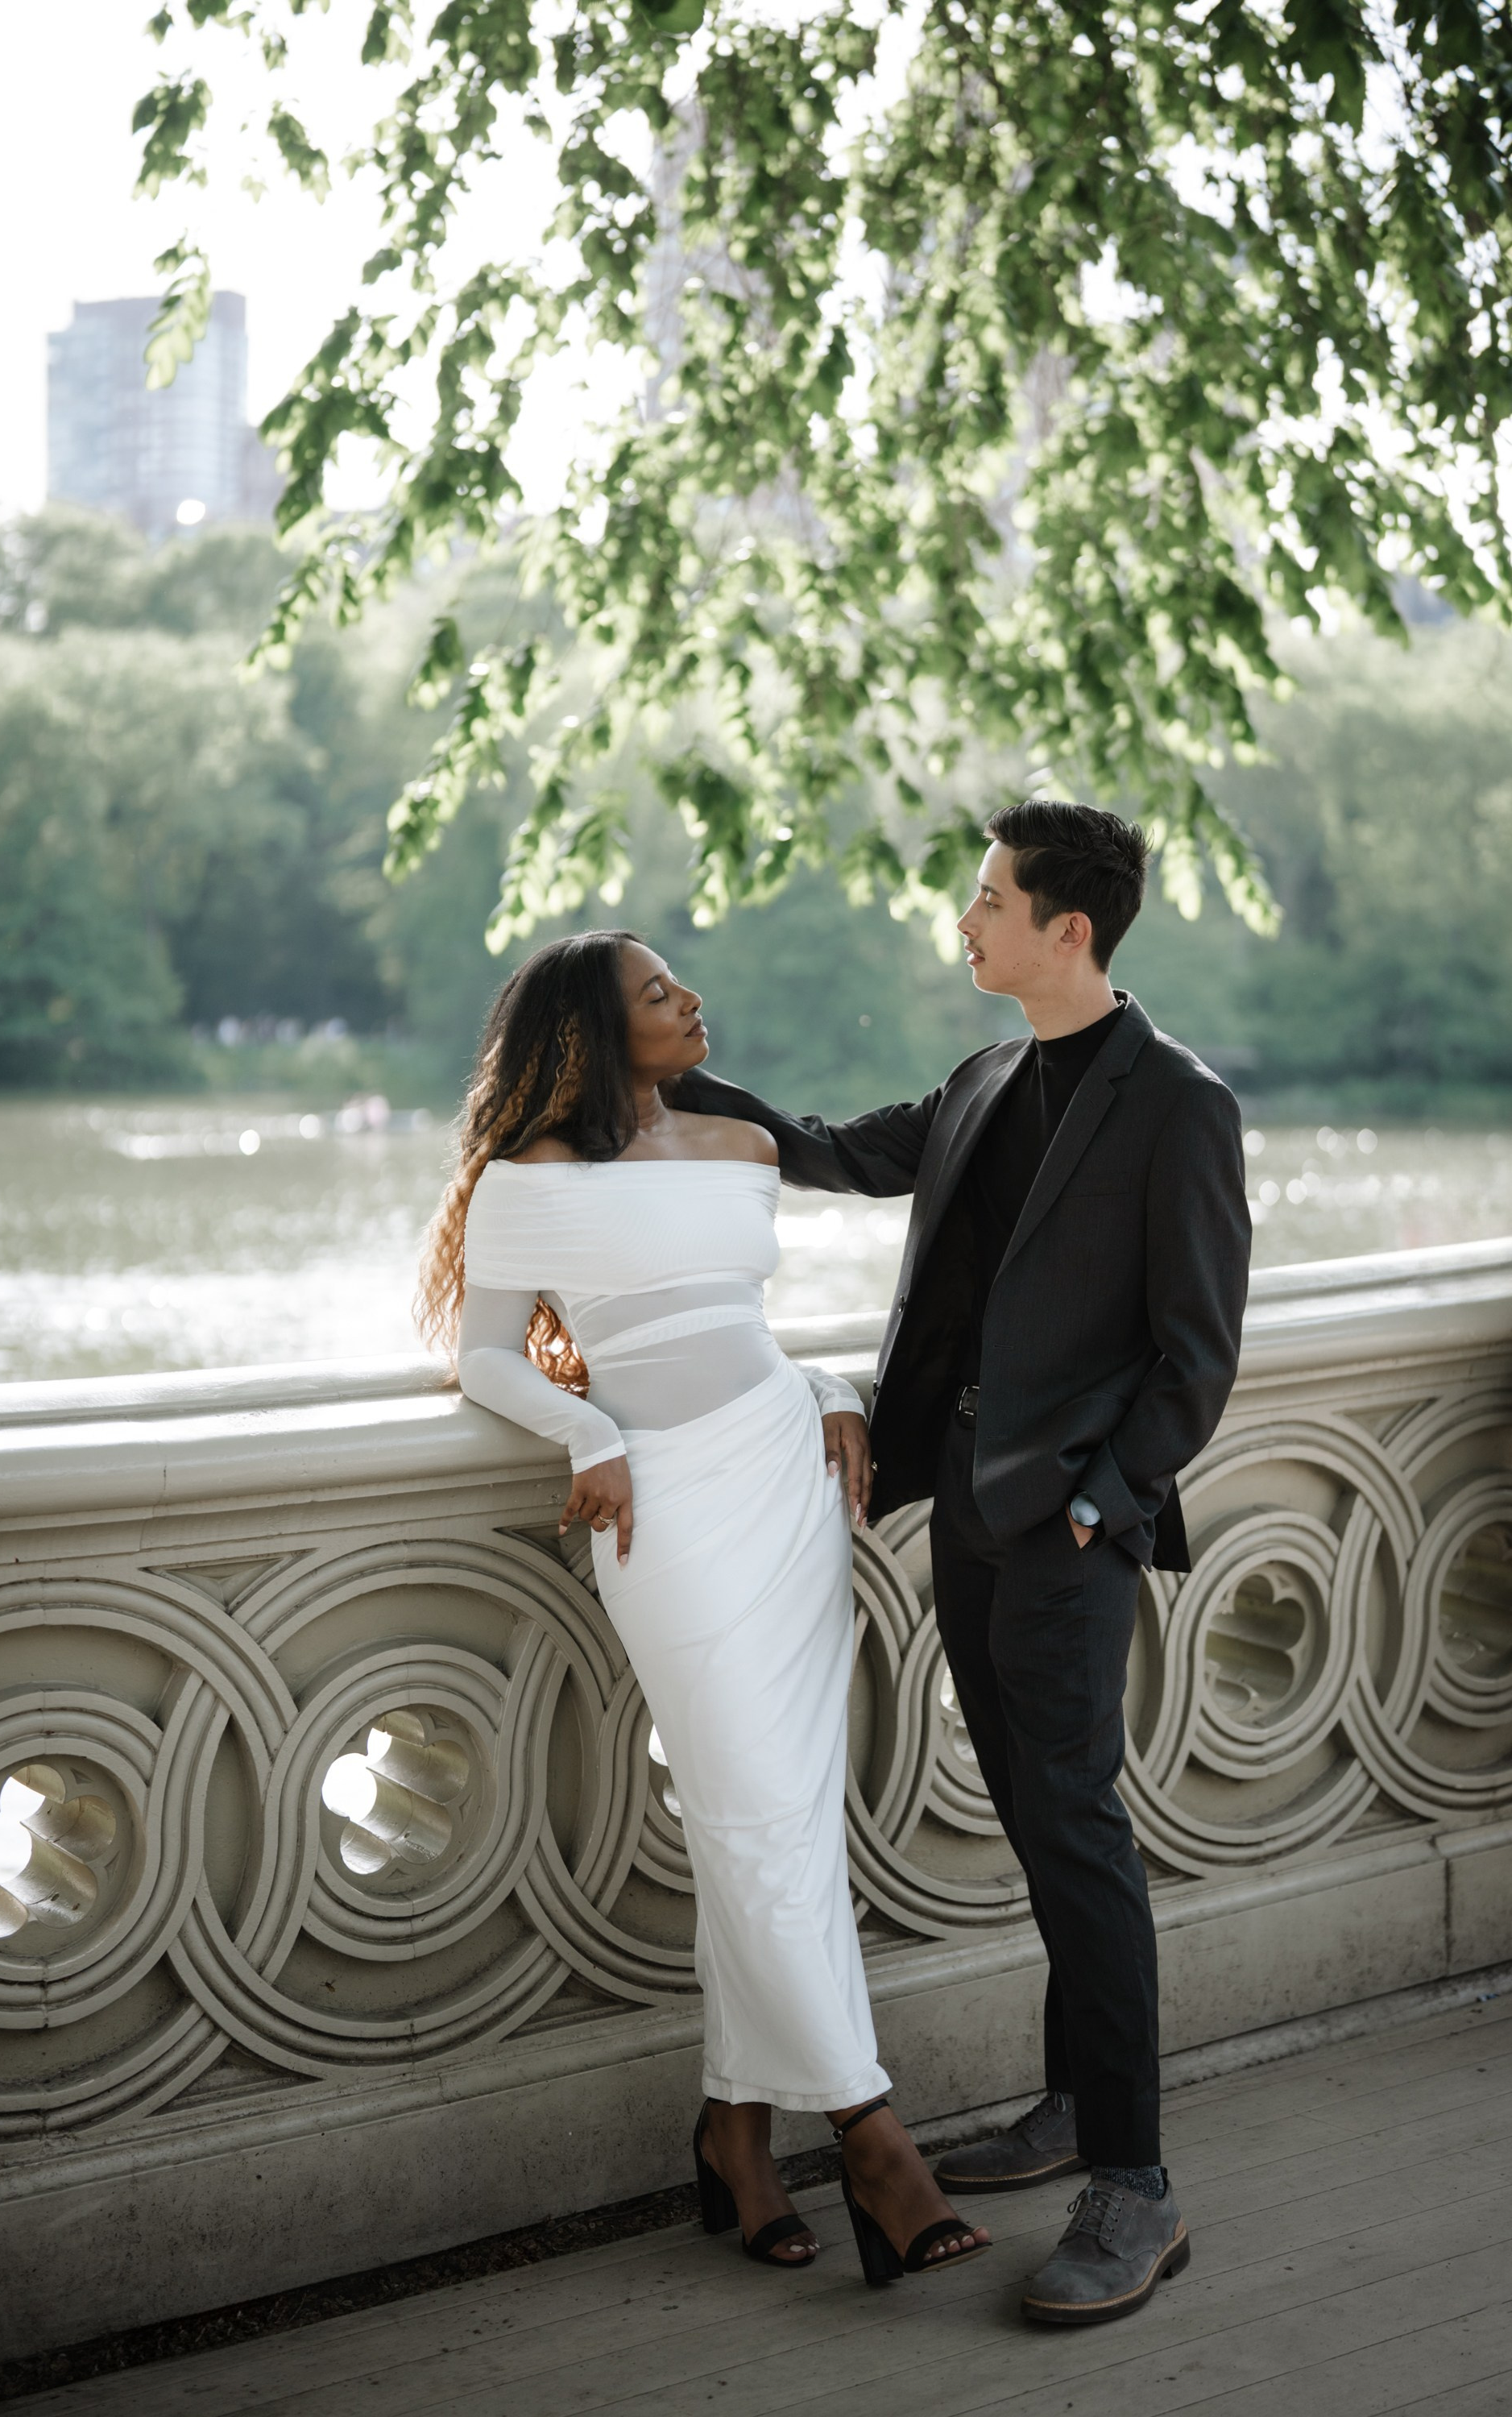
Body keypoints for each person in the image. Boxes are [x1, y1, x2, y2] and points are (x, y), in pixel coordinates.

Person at [676, 801, 1252, 2324]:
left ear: (1072, 929)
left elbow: (1196, 1359)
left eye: (991, 899)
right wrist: (677, 1089)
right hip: (969, 1515)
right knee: (1044, 1817)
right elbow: (847, 1154)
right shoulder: (992, 1072)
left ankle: (1133, 2184)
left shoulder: (1181, 1106)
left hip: (1068, 1527)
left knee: (1075, 1829)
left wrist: (1097, 1500)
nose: (966, 920)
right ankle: (1071, 2107)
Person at [425, 930, 988, 2282]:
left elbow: (741, 1327)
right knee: (747, 1813)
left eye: (682, 983)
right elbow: (485, 1360)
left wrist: (838, 1395)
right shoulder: (528, 1179)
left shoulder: (742, 1150)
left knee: (785, 1817)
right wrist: (584, 1432)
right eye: (657, 993)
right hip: (663, 1509)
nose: (690, 1001)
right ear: (591, 1033)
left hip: (786, 1481)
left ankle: (735, 2136)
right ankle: (873, 2137)